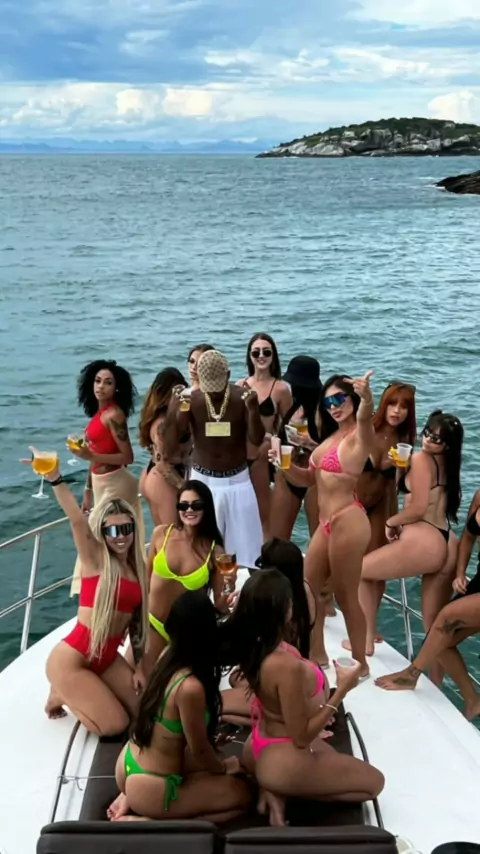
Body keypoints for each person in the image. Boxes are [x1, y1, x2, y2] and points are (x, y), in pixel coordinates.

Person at [221, 570, 384, 826]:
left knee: (331, 756)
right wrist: (342, 689)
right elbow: (301, 737)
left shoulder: (257, 643)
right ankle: (278, 787)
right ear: (284, 610)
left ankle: (273, 784)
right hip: (281, 757)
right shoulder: (284, 665)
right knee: (374, 783)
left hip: (259, 745)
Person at [28, 454, 149, 735]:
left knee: (144, 712)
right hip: (73, 659)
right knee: (115, 726)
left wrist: (141, 667)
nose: (121, 536)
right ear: (103, 533)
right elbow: (76, 520)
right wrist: (55, 478)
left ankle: (90, 688)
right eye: (113, 530)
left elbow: (137, 627)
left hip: (106, 659)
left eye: (126, 528)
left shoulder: (137, 569)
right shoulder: (96, 560)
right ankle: (60, 693)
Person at [107, 590, 251, 822]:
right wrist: (225, 767)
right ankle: (152, 823)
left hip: (129, 762)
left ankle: (132, 797)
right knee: (243, 796)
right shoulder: (190, 687)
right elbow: (199, 751)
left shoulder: (168, 656)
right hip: (152, 784)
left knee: (216, 757)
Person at [272, 372, 375, 674]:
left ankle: (360, 664)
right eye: (328, 402)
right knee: (306, 589)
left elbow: (366, 417)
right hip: (326, 523)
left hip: (348, 520)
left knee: (345, 595)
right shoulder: (330, 438)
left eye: (339, 399)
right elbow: (308, 479)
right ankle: (316, 654)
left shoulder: (359, 435)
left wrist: (367, 398)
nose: (334, 406)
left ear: (352, 399)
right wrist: (283, 464)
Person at [359, 411, 463, 658]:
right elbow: (424, 496)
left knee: (360, 571)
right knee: (433, 624)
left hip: (424, 539)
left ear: (447, 445)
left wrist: (391, 521)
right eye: (427, 433)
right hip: (447, 539)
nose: (428, 440)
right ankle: (436, 677)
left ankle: (366, 639)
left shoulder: (421, 460)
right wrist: (400, 469)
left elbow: (417, 508)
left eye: (436, 439)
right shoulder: (448, 464)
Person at [164, 349, 264, 568]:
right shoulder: (193, 400)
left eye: (218, 387)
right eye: (209, 387)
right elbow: (170, 446)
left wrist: (253, 410)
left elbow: (257, 439)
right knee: (201, 550)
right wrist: (174, 408)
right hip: (203, 481)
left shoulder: (241, 397)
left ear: (228, 375)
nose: (214, 393)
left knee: (248, 552)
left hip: (238, 479)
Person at [221, 539, 325, 726]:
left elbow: (242, 648)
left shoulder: (278, 616)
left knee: (220, 701)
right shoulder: (304, 589)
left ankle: (278, 721)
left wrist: (245, 604)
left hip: (294, 692)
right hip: (315, 680)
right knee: (237, 680)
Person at [132, 480, 227, 677]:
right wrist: (134, 624)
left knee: (176, 688)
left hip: (186, 634)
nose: (189, 510)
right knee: (137, 681)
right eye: (183, 505)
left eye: (196, 505)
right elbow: (145, 582)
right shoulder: (161, 534)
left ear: (206, 508)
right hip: (153, 624)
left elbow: (219, 603)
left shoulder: (215, 551)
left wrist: (229, 587)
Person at [348, 380, 417, 648]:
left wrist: (400, 468)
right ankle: (349, 617)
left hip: (381, 505)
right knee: (346, 564)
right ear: (384, 404)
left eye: (404, 407)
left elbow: (401, 486)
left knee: (373, 571)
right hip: (353, 502)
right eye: (393, 404)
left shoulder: (405, 441)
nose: (397, 411)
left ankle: (368, 630)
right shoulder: (366, 428)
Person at [70, 359, 145, 595]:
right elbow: (95, 455)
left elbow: (127, 456)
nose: (101, 386)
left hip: (116, 484)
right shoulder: (99, 413)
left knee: (100, 539)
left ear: (116, 388)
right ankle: (103, 592)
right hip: (100, 484)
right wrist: (87, 490)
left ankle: (109, 591)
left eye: (108, 382)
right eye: (97, 381)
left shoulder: (114, 415)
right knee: (99, 540)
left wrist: (90, 455)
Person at [237, 333, 292, 538]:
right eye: (256, 352)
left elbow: (288, 428)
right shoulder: (240, 385)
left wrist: (271, 441)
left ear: (273, 356)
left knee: (263, 514)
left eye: (266, 352)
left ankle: (266, 553)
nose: (261, 356)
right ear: (249, 356)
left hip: (263, 457)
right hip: (240, 456)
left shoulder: (280, 388)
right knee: (240, 512)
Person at [269, 355, 322, 541]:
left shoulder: (322, 412)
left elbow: (333, 450)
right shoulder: (290, 405)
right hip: (288, 472)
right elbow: (277, 434)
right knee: (277, 539)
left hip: (314, 478)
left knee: (319, 538)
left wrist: (309, 443)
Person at [138, 368, 191, 526]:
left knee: (163, 534)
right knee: (174, 534)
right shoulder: (162, 423)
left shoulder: (165, 419)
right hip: (164, 479)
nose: (181, 397)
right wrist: (185, 487)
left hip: (154, 474)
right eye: (176, 393)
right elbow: (163, 462)